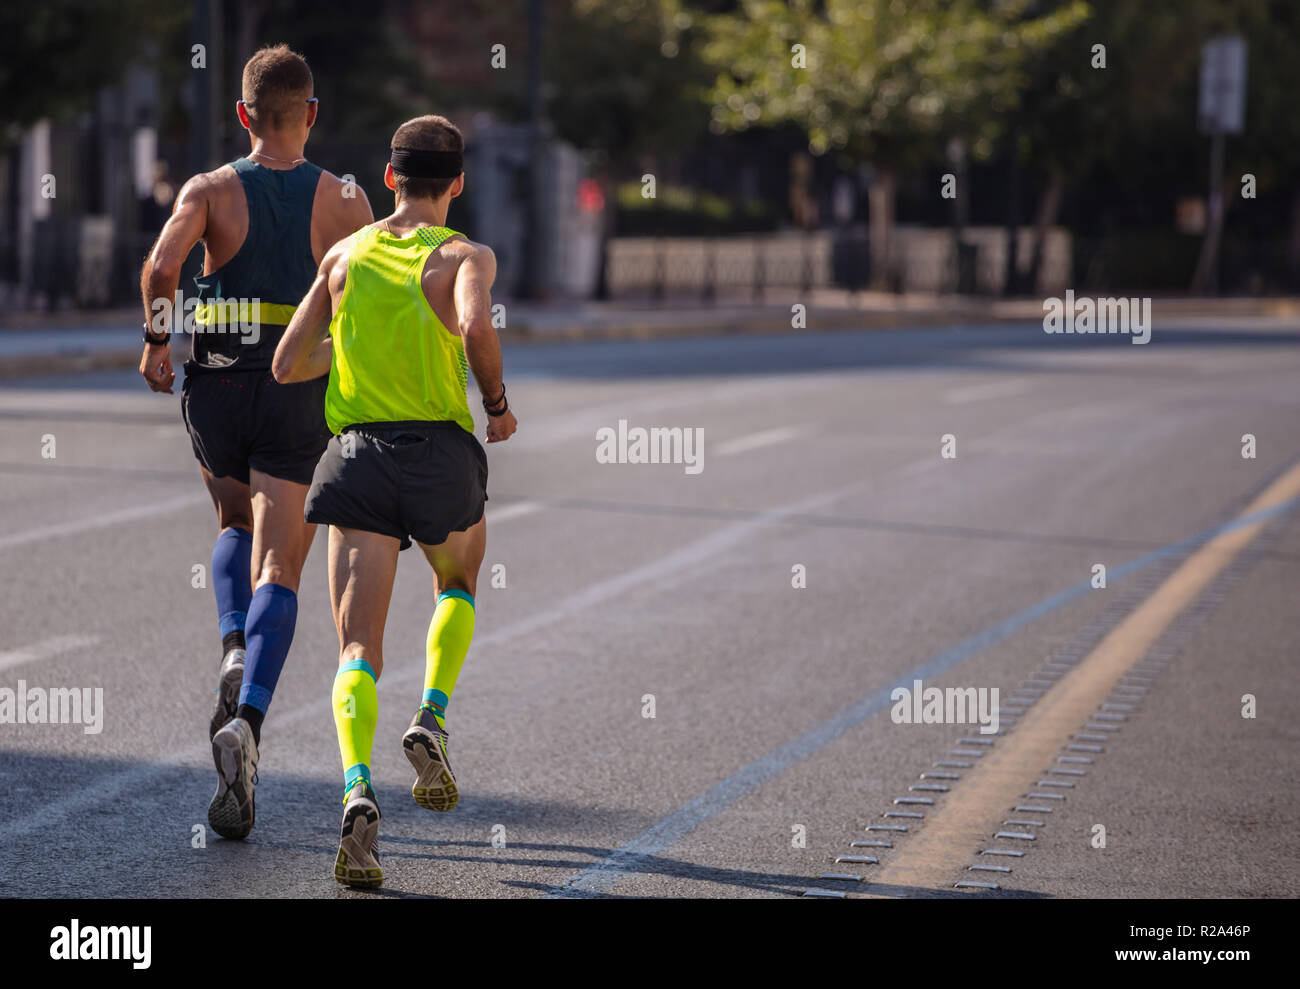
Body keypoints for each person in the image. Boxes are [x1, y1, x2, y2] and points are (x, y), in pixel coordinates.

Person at [273, 114, 516, 888]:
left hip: (356, 461)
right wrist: (498, 401)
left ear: (388, 178)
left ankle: (355, 790)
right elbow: (477, 323)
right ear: (457, 183)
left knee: (356, 649)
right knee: (458, 579)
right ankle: (432, 713)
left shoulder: (344, 255)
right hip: (439, 453)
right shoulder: (463, 255)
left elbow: (285, 363)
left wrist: (344, 348)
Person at [138, 44, 374, 839]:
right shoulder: (344, 200)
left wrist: (157, 340)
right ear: (310, 114)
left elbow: (162, 264)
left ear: (243, 115)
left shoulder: (209, 190)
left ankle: (232, 643)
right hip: (296, 391)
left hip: (217, 386)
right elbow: (367, 303)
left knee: (232, 527)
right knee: (283, 561)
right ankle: (249, 723)